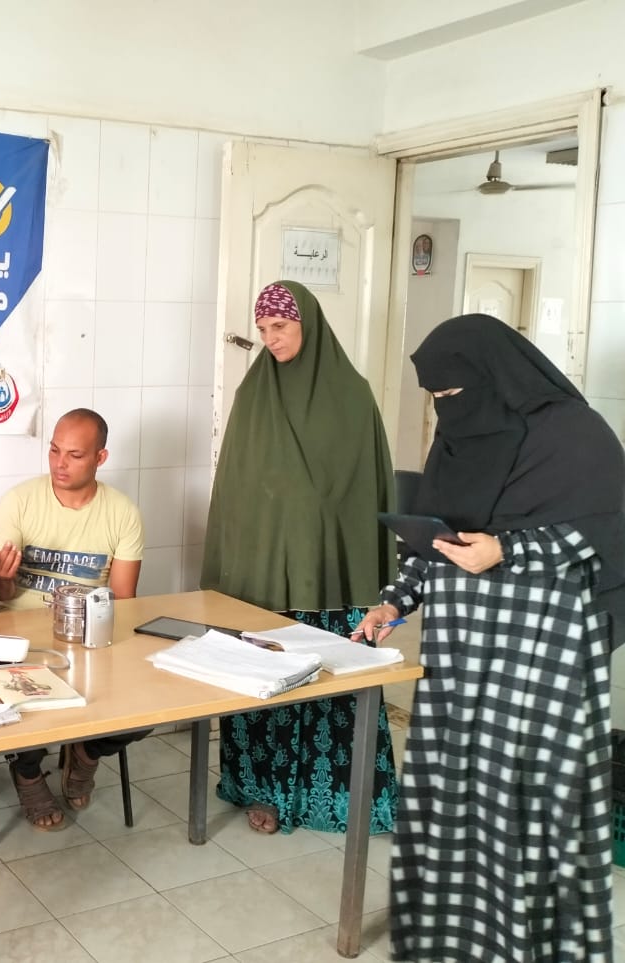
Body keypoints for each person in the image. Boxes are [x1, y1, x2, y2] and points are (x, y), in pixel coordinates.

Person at [353, 314, 625, 962]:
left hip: (540, 655)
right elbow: (436, 535)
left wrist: (508, 549)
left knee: (525, 803)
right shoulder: (455, 441)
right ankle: (458, 940)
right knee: (456, 791)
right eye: (436, 398)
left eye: (453, 393)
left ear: (494, 376)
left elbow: (605, 532)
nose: (446, 409)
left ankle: (528, 944)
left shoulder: (575, 434)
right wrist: (394, 600)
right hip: (460, 654)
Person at [200, 280, 401, 836]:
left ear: (307, 324)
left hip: (330, 573)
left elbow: (368, 492)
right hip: (263, 574)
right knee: (264, 681)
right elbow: (235, 490)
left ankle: (339, 798)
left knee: (329, 686)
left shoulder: (352, 396)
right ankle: (262, 792)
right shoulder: (253, 395)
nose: (272, 339)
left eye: (281, 327)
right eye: (264, 329)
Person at [0, 408, 146, 831]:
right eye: (54, 451)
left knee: (150, 705)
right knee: (20, 695)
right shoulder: (19, 501)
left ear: (100, 458)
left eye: (74, 455)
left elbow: (124, 601)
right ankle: (27, 770)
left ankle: (87, 752)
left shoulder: (122, 512)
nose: (60, 464)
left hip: (90, 636)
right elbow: (0, 595)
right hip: (20, 637)